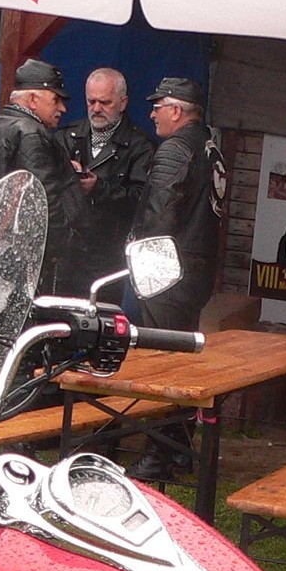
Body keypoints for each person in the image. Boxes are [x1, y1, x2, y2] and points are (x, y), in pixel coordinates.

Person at [123, 77, 226, 480]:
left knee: (160, 365)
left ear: (177, 110)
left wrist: (144, 263)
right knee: (181, 361)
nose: (152, 114)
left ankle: (156, 456)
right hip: (198, 268)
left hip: (169, 268)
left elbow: (160, 215)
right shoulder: (210, 146)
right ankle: (180, 451)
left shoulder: (175, 149)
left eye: (158, 107)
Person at [0, 59, 94, 295]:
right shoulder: (31, 134)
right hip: (19, 268)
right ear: (33, 99)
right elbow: (44, 201)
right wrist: (62, 248)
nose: (63, 109)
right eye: (56, 100)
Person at [58, 67, 155, 296]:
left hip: (109, 257)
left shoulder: (141, 146)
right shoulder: (67, 137)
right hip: (66, 254)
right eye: (91, 101)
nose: (96, 108)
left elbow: (142, 201)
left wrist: (98, 188)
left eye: (105, 102)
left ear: (123, 103)